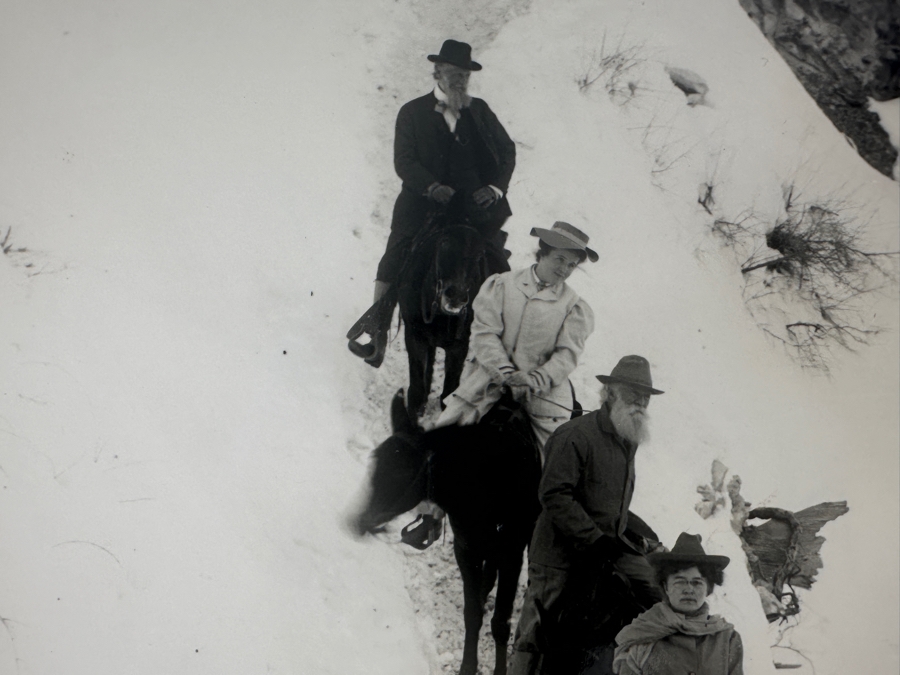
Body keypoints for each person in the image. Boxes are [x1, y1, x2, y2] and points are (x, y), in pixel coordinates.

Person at [347, 39, 516, 366]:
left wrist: (494, 188)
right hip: (422, 205)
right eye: (453, 73)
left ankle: (498, 348)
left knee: (498, 265)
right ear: (437, 71)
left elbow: (507, 152)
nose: (459, 81)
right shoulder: (411, 112)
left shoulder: (480, 111)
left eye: (465, 76)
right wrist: (430, 186)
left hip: (470, 208)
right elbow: (404, 161)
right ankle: (377, 333)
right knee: (394, 259)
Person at [508, 355, 666, 675]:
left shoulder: (627, 437)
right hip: (558, 557)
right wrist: (595, 539)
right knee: (536, 633)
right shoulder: (574, 436)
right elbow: (554, 494)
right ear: (609, 393)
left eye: (645, 397)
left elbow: (607, 501)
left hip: (601, 553)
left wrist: (631, 537)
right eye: (633, 394)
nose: (640, 403)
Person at [432, 221, 597, 454]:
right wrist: (506, 374)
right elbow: (485, 334)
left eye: (572, 265)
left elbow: (566, 356)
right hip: (488, 381)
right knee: (439, 440)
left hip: (542, 395)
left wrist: (533, 380)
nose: (564, 270)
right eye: (560, 259)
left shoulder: (574, 307)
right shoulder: (502, 285)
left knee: (553, 460)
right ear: (543, 252)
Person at [613, 532, 744, 675]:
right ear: (665, 587)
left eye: (697, 582)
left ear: (708, 589)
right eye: (680, 581)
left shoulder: (727, 639)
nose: (688, 589)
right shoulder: (640, 637)